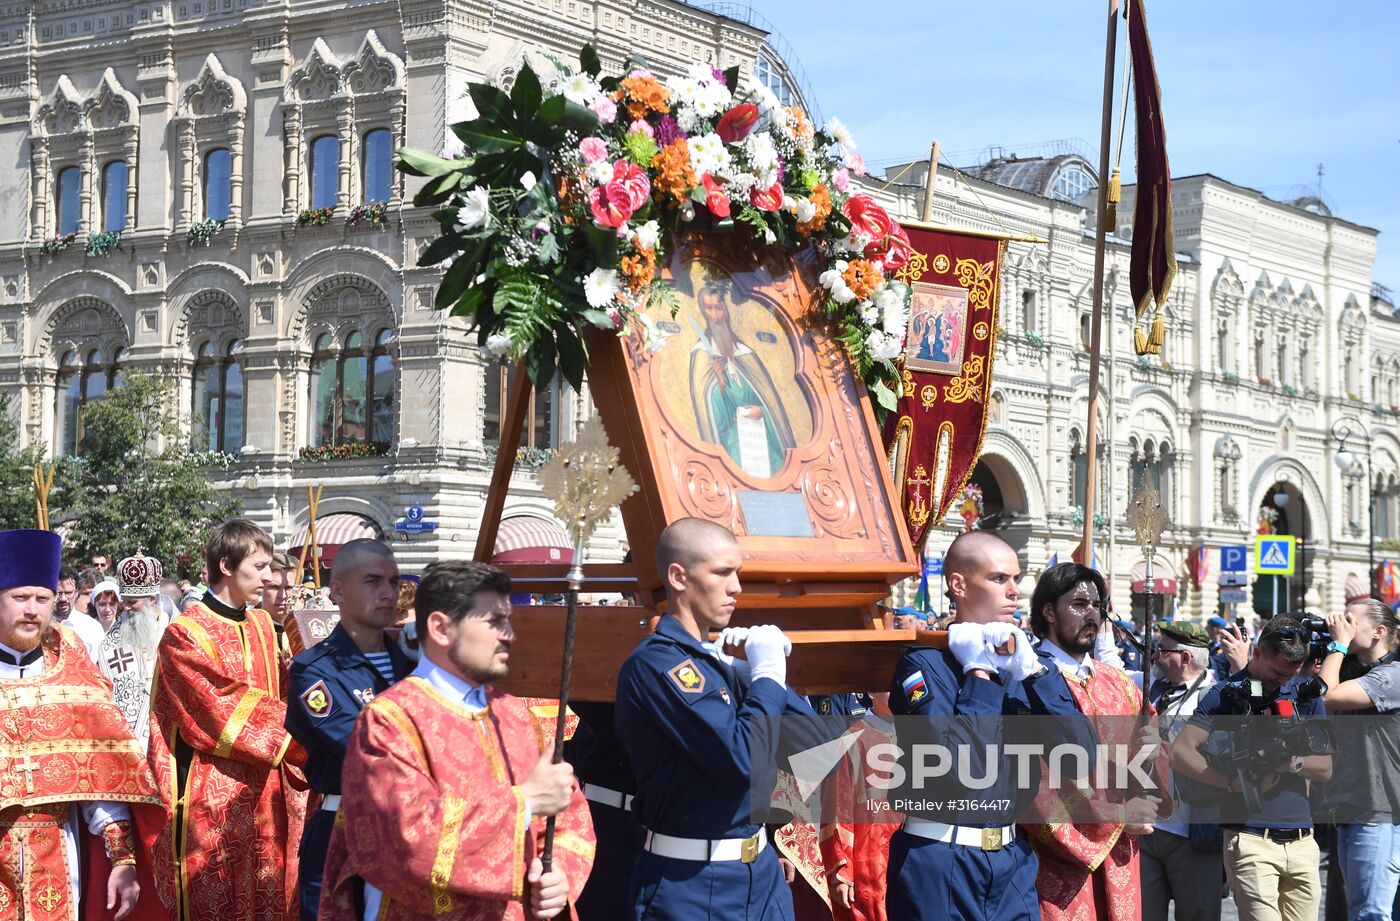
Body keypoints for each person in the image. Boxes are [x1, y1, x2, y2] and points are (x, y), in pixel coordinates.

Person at [319, 560, 594, 919]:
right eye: (494, 621)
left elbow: (568, 815)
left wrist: (558, 874)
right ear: (441, 628)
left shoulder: (513, 714)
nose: (509, 634)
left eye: (508, 620)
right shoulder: (389, 720)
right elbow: (405, 840)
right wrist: (523, 803)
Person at [614, 517, 827, 920]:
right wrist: (764, 679)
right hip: (694, 882)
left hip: (760, 877)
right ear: (679, 576)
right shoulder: (659, 663)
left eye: (738, 573)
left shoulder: (712, 662)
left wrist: (759, 674)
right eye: (722, 572)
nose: (736, 588)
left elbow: (812, 741)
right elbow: (744, 761)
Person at [885, 532, 1094, 921]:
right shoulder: (925, 665)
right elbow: (962, 768)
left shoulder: (1019, 664)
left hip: (1011, 861)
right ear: (959, 584)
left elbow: (1082, 756)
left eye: (1016, 578)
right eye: (999, 579)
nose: (1015, 591)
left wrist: (1037, 673)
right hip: (941, 859)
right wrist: (978, 674)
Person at [147, 518, 309, 921]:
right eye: (258, 568)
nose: (269, 578)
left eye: (270, 567)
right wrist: (307, 737)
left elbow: (287, 689)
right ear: (225, 566)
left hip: (268, 791)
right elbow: (216, 708)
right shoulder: (184, 634)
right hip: (215, 794)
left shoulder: (263, 626)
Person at [0, 528, 162, 921]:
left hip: (57, 849)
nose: (32, 610)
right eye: (20, 597)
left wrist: (122, 859)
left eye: (43, 598)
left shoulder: (72, 667)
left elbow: (102, 771)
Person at [1021, 562, 1168, 921]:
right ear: (1047, 610)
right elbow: (1030, 782)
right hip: (1057, 868)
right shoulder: (1028, 682)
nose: (1092, 614)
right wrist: (1117, 817)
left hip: (1121, 859)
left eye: (1097, 605)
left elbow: (1150, 769)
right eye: (1079, 604)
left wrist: (1152, 755)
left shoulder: (1121, 684)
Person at [1171, 617, 1333, 921]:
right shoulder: (1227, 694)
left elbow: (1325, 769)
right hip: (1250, 839)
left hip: (1302, 841)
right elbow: (1181, 753)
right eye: (1277, 673)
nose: (1284, 682)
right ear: (1257, 653)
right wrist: (1230, 783)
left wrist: (1290, 762)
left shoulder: (1304, 694)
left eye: (1292, 674)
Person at [286, 539, 413, 921]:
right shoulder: (315, 669)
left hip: (415, 832)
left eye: (392, 581)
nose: (388, 592)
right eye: (373, 581)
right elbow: (362, 746)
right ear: (337, 590)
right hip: (346, 829)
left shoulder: (413, 662)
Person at [1133, 621, 1223, 921]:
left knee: (1198, 913)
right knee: (1143, 913)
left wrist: (1163, 745)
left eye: (1162, 650)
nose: (1156, 657)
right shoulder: (1155, 687)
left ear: (1185, 658)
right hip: (1149, 828)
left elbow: (1219, 759)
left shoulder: (1216, 697)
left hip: (1193, 829)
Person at [1321, 598, 1400, 921]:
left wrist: (1337, 646)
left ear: (1379, 631)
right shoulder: (1354, 669)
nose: (1342, 623)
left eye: (1351, 620)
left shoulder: (1393, 675)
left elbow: (1326, 696)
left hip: (1379, 810)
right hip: (1356, 806)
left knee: (1370, 913)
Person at [687, 276, 798, 477]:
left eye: (719, 308)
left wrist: (761, 411)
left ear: (726, 311)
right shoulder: (702, 353)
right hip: (733, 439)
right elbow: (712, 418)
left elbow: (769, 402)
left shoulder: (745, 353)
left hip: (759, 436)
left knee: (774, 467)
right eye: (709, 309)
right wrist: (720, 384)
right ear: (703, 312)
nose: (715, 315)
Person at [100, 553, 170, 749]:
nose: (126, 608)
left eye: (133, 602)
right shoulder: (110, 643)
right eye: (125, 601)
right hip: (129, 736)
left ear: (152, 599)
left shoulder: (174, 630)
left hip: (166, 729)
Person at [55, 563, 106, 659]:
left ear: (77, 592)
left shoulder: (92, 628)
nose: (63, 599)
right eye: (58, 593)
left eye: (68, 593)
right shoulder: (40, 626)